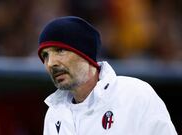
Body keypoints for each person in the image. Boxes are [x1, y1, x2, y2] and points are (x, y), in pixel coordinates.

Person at [37, 16, 177, 135]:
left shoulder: (135, 95)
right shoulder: (54, 113)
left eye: (60, 50)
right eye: (45, 55)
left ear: (85, 54)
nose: (51, 63)